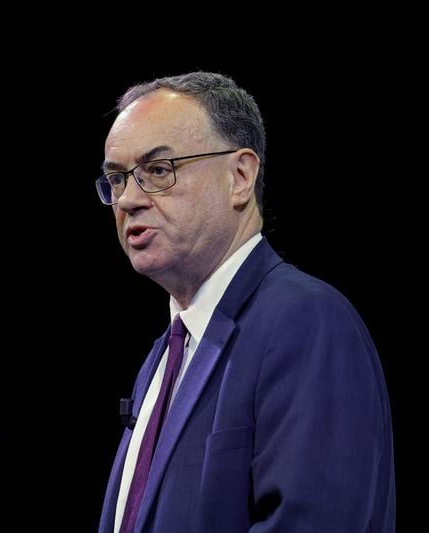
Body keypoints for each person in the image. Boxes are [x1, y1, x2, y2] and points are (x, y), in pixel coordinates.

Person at [95, 72, 395, 533]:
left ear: (240, 177)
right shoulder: (164, 356)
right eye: (117, 179)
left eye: (158, 170)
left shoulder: (306, 321)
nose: (129, 200)